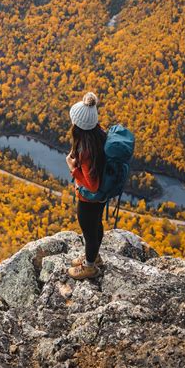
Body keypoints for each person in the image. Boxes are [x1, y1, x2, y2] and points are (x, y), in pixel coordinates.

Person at [65, 91, 107, 280]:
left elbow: (91, 184)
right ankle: (94, 256)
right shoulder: (99, 135)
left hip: (89, 198)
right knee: (96, 225)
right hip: (102, 197)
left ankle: (89, 267)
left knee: (89, 230)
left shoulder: (86, 150)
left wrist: (73, 168)